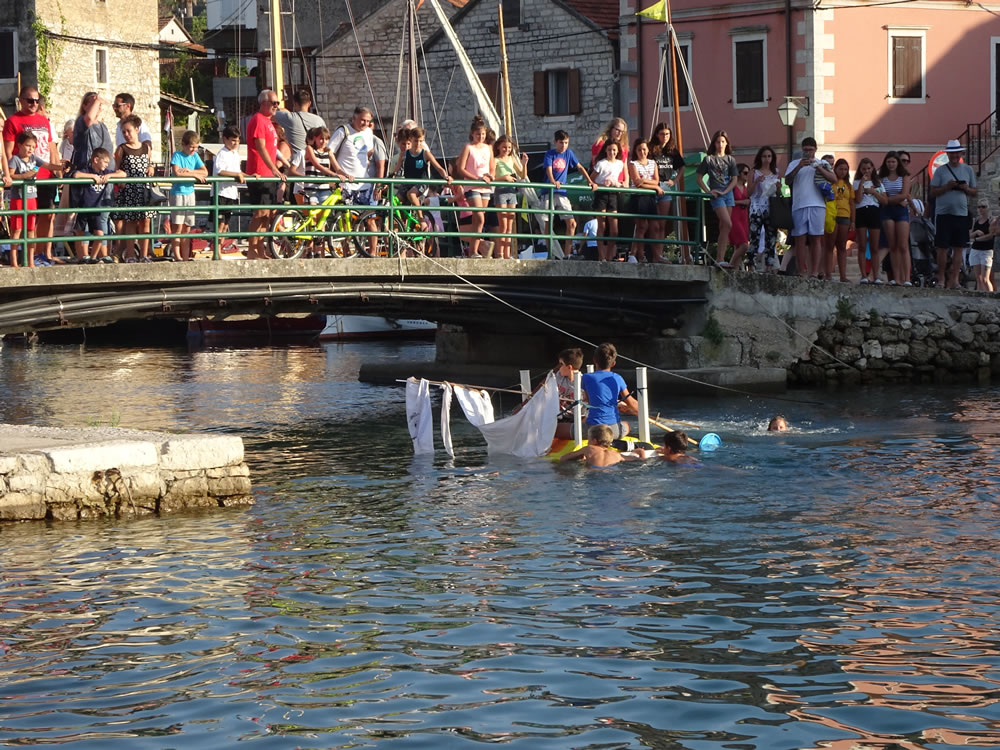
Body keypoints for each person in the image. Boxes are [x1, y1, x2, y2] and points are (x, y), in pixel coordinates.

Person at [3, 85, 61, 264]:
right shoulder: (13, 121)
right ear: (21, 101)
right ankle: (28, 256)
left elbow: (50, 146)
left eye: (36, 100)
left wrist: (57, 169)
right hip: (25, 178)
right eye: (30, 100)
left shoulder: (44, 121)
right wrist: (8, 174)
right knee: (24, 221)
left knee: (47, 214)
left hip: (44, 174)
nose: (34, 104)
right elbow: (7, 151)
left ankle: (44, 253)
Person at [329, 107, 381, 257]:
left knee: (370, 219)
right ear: (354, 118)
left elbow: (370, 151)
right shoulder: (343, 131)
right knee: (347, 221)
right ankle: (346, 252)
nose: (364, 123)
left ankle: (372, 253)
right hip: (348, 184)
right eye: (362, 120)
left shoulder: (368, 133)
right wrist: (338, 170)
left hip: (364, 183)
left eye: (368, 121)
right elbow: (330, 151)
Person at [391, 127, 451, 256]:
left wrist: (446, 176)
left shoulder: (425, 154)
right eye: (415, 141)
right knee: (396, 201)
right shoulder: (405, 154)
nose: (418, 144)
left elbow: (438, 167)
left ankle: (421, 218)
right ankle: (403, 228)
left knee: (411, 194)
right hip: (407, 183)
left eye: (420, 141)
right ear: (411, 140)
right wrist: (389, 177)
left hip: (421, 184)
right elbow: (396, 168)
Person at [6, 132, 63, 267]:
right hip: (19, 198)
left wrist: (61, 167)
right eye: (27, 146)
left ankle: (30, 261)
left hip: (32, 198)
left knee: (31, 230)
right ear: (19, 145)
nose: (30, 149)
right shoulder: (15, 159)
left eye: (33, 146)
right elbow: (11, 175)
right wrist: (25, 176)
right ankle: (14, 262)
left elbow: (48, 165)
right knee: (17, 230)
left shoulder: (34, 159)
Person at [784, 136, 835, 277]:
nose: (808, 153)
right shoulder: (794, 163)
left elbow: (834, 179)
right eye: (805, 150)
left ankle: (814, 272)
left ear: (815, 150)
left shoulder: (823, 163)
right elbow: (787, 181)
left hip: (818, 205)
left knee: (816, 239)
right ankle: (801, 271)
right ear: (802, 150)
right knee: (800, 239)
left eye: (811, 150)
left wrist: (818, 167)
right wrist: (799, 166)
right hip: (799, 205)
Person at [930, 139, 977, 289]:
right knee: (942, 248)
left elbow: (974, 192)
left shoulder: (968, 170)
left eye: (957, 153)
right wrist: (947, 187)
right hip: (943, 214)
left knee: (959, 248)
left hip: (961, 214)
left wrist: (965, 188)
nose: (955, 155)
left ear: (961, 153)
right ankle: (942, 279)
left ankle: (955, 280)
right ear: (948, 154)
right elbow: (933, 192)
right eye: (952, 153)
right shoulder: (941, 171)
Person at [245, 90, 286, 260]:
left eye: (277, 103)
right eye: (274, 102)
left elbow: (272, 149)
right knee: (260, 213)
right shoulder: (258, 120)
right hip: (260, 172)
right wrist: (274, 168)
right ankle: (252, 250)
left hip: (268, 174)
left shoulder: (269, 122)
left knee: (267, 215)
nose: (277, 106)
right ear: (263, 103)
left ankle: (260, 249)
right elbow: (260, 147)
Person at [543, 129, 596, 258]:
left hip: (562, 192)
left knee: (572, 223)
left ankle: (567, 255)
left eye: (566, 143)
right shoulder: (549, 154)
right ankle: (550, 253)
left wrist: (590, 181)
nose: (564, 145)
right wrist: (553, 181)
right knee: (548, 223)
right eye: (561, 142)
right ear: (555, 142)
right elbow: (549, 169)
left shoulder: (569, 153)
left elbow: (579, 167)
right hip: (548, 191)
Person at [111, 115, 156, 263]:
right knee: (130, 222)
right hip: (129, 190)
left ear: (137, 130)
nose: (126, 134)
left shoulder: (146, 147)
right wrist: (121, 180)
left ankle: (144, 255)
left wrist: (151, 167)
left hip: (144, 189)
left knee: (145, 221)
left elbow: (149, 163)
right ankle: (130, 255)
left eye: (128, 131)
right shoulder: (122, 149)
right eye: (123, 132)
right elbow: (116, 169)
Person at [73, 147, 124, 263]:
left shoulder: (105, 172)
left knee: (100, 235)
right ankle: (81, 257)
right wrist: (92, 177)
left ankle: (93, 257)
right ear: (96, 160)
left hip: (96, 209)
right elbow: (76, 175)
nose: (107, 165)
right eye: (105, 162)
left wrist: (110, 176)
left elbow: (122, 174)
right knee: (79, 233)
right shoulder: (87, 170)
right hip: (84, 207)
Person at [454, 116, 495, 259]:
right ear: (472, 133)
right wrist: (476, 178)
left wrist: (490, 176)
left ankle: (475, 250)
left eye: (483, 134)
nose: (481, 137)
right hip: (472, 187)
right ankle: (474, 251)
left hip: (485, 188)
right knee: (479, 217)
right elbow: (461, 168)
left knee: (478, 221)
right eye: (478, 134)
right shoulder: (468, 147)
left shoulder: (489, 148)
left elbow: (492, 167)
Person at [697, 130, 738, 267]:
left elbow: (734, 179)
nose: (720, 144)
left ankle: (720, 258)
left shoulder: (730, 160)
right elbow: (699, 179)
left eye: (723, 142)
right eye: (718, 142)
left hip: (728, 194)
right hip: (716, 194)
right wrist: (708, 192)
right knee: (727, 223)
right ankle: (720, 259)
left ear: (726, 143)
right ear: (714, 143)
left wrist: (726, 191)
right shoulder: (708, 159)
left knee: (724, 227)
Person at [581, 342, 638, 439]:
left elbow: (589, 401)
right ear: (613, 363)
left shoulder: (586, 377)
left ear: (594, 360)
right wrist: (635, 409)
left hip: (592, 431)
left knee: (561, 428)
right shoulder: (617, 378)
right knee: (627, 425)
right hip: (613, 431)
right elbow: (633, 404)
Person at [169, 130, 208, 261]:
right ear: (184, 145)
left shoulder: (195, 157)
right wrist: (195, 175)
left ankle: (185, 256)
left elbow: (205, 172)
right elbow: (177, 173)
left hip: (190, 193)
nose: (193, 150)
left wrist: (191, 172)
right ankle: (177, 255)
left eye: (196, 147)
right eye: (191, 147)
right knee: (177, 227)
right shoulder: (177, 155)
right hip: (178, 193)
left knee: (187, 227)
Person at [649, 123, 684, 263]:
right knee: (653, 224)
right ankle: (653, 254)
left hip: (666, 186)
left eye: (667, 134)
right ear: (657, 134)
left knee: (662, 224)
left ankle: (660, 254)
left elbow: (682, 167)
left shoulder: (672, 151)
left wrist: (675, 180)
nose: (665, 137)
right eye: (662, 134)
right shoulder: (652, 149)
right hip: (652, 186)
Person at [878, 151, 912, 285]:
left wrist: (889, 200)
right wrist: (896, 199)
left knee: (903, 245)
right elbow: (883, 198)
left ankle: (907, 278)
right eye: (888, 162)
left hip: (901, 211)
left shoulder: (905, 176)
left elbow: (904, 194)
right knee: (893, 245)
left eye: (893, 161)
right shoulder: (882, 178)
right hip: (887, 211)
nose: (891, 164)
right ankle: (897, 278)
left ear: (897, 163)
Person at [591, 140, 627, 262]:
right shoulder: (601, 163)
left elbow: (620, 179)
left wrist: (618, 184)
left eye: (614, 150)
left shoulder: (620, 164)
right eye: (609, 150)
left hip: (613, 193)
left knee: (614, 229)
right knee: (601, 225)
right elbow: (591, 180)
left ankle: (609, 255)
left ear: (617, 152)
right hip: (601, 193)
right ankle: (602, 256)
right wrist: (600, 184)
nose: (612, 152)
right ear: (606, 150)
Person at [213, 125, 246, 258]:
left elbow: (238, 171)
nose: (236, 143)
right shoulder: (222, 153)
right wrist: (237, 175)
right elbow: (220, 171)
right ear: (225, 139)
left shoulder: (235, 154)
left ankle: (219, 249)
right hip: (221, 192)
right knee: (220, 224)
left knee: (225, 224)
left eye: (238, 141)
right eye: (233, 140)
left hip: (231, 192)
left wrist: (250, 175)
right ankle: (217, 251)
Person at [492, 134, 527, 260]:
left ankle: (508, 254)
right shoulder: (495, 160)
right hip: (500, 190)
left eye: (509, 148)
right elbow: (492, 178)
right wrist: (504, 178)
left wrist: (524, 164)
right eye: (504, 147)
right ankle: (500, 254)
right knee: (503, 225)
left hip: (512, 191)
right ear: (499, 147)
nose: (507, 150)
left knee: (509, 225)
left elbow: (522, 175)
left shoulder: (512, 159)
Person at [627, 138, 662, 263]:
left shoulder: (653, 163)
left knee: (655, 226)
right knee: (641, 226)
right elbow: (637, 182)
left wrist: (646, 181)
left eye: (644, 149)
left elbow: (656, 180)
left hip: (650, 197)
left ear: (648, 150)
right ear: (636, 151)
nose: (642, 152)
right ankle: (636, 254)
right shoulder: (632, 164)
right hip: (638, 196)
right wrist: (655, 186)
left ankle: (657, 255)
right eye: (639, 150)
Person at [853, 157, 886, 284]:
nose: (866, 171)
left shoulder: (879, 184)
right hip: (861, 211)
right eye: (864, 169)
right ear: (860, 170)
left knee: (874, 246)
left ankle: (876, 275)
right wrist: (861, 184)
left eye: (868, 168)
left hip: (874, 211)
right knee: (861, 245)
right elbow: (858, 199)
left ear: (873, 168)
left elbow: (885, 201)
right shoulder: (856, 182)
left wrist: (873, 192)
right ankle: (863, 275)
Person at [748, 146, 780, 271]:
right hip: (756, 207)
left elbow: (778, 194)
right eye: (764, 156)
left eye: (769, 156)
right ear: (760, 158)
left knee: (771, 237)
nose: (767, 159)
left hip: (771, 207)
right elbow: (748, 193)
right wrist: (756, 182)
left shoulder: (776, 172)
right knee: (754, 236)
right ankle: (751, 263)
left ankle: (769, 265)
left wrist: (778, 187)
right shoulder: (754, 172)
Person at [272, 88, 325, 161]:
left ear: (294, 104)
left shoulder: (289, 118)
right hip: (317, 162)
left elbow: (270, 114)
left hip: (299, 163)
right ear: (309, 103)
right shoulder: (319, 120)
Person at [560, 425, 641, 468]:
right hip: (611, 472)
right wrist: (640, 453)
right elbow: (638, 460)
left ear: (594, 441)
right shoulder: (616, 454)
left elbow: (564, 458)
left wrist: (579, 457)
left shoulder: (589, 449)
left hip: (593, 474)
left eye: (589, 439)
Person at [828, 159, 855, 283]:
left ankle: (843, 276)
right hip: (832, 215)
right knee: (830, 245)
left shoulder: (848, 185)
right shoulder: (830, 182)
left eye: (845, 169)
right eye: (841, 169)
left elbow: (852, 203)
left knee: (842, 246)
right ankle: (828, 273)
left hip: (845, 216)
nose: (843, 172)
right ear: (835, 169)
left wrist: (853, 221)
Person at [727, 163, 751, 270]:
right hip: (734, 215)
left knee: (739, 246)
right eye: (745, 173)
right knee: (744, 245)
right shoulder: (733, 186)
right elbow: (729, 201)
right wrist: (743, 202)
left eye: (748, 173)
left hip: (744, 216)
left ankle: (735, 270)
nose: (747, 175)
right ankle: (731, 265)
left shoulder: (746, 187)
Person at [591, 118, 629, 184]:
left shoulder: (624, 147)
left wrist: (626, 181)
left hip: (619, 184)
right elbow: (595, 164)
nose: (620, 133)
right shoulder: (600, 144)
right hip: (604, 183)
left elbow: (625, 167)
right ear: (611, 129)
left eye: (622, 131)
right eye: (617, 130)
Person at [969, 199, 994, 292]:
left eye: (983, 207)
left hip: (986, 250)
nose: (981, 209)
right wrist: (976, 232)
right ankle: (980, 298)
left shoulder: (991, 221)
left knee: (985, 279)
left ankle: (991, 297)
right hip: (976, 249)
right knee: (978, 279)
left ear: (988, 208)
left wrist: (977, 239)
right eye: (979, 207)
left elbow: (991, 236)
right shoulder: (976, 220)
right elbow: (970, 235)